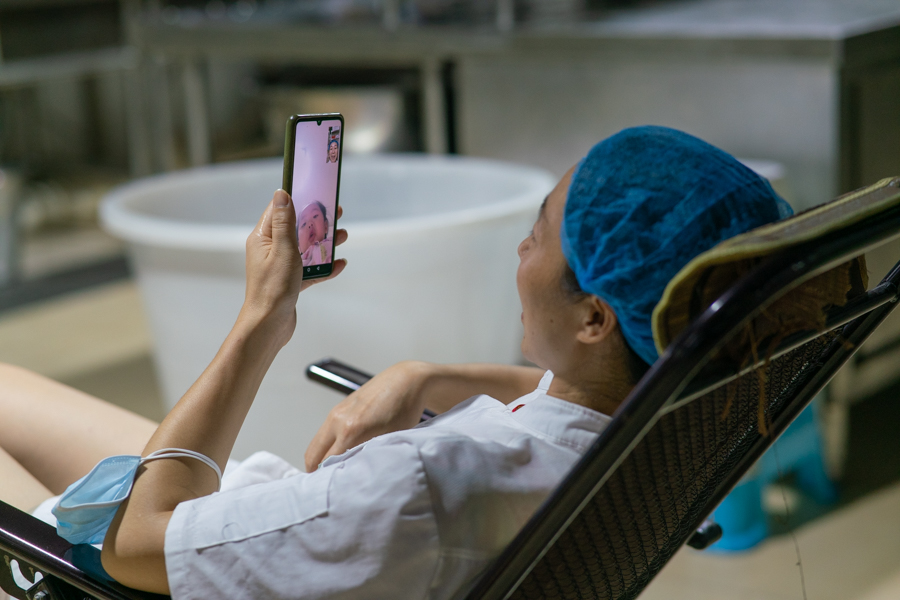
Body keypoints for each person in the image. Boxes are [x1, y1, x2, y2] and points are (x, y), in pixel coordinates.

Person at [0, 126, 790, 599]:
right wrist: (427, 377)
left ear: (593, 317)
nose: (521, 250)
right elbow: (559, 400)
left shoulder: (416, 484)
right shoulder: (669, 417)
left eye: (539, 236)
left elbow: (137, 545)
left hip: (140, 570)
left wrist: (263, 318)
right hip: (291, 529)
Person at [296, 200, 332, 266]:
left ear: (325, 226)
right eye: (304, 224)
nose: (310, 224)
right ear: (299, 244)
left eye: (315, 216)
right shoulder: (294, 264)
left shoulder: (330, 245)